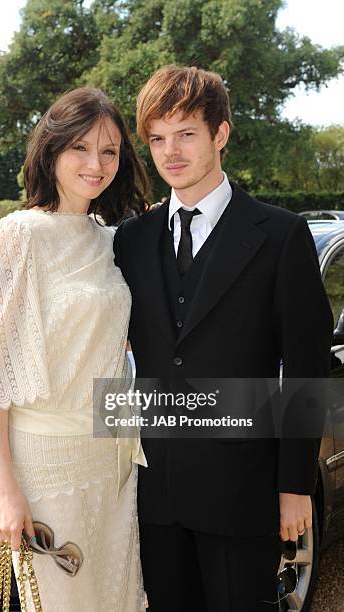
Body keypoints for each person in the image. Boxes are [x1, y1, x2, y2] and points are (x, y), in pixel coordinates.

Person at [113, 65, 333, 611]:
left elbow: (306, 368)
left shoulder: (280, 235)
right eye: (158, 139)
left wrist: (294, 486)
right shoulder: (131, 241)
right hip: (155, 494)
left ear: (221, 134)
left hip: (244, 492)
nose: (171, 152)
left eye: (186, 133)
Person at [0, 87, 150, 612]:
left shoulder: (106, 238)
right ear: (51, 151)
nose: (97, 164)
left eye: (111, 150)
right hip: (47, 469)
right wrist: (6, 491)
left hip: (112, 461)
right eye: (81, 148)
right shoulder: (16, 235)